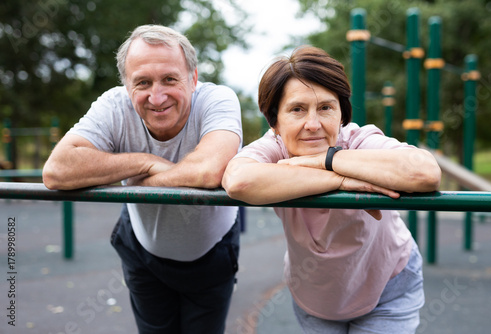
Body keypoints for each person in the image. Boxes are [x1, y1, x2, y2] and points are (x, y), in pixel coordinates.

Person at [222, 46, 442, 334]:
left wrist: (328, 159)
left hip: (388, 283)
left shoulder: (357, 140)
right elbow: (239, 181)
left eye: (325, 108)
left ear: (341, 114)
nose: (313, 125)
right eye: (297, 109)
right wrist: (338, 179)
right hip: (316, 294)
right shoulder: (274, 147)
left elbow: (424, 172)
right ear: (275, 122)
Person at [43, 24, 242, 334]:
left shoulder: (217, 100)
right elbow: (57, 170)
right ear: (126, 85)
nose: (157, 96)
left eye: (169, 79)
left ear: (193, 78)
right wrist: (145, 162)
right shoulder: (114, 105)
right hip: (142, 253)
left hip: (211, 255)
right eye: (143, 82)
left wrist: (139, 184)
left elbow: (208, 170)